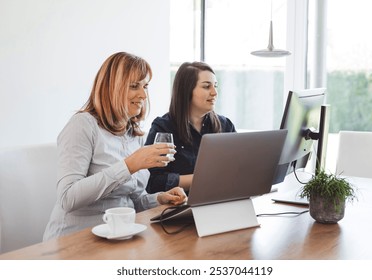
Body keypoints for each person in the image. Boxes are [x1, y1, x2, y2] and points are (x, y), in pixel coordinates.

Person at [43, 52, 187, 240]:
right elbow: (68, 198)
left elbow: (130, 200)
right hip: (74, 241)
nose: (143, 95)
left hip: (119, 236)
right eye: (134, 86)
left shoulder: (133, 135)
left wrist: (159, 199)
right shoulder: (83, 125)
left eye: (145, 86)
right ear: (112, 88)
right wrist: (129, 165)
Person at [145, 61, 236, 194]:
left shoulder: (225, 125)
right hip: (179, 207)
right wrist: (203, 180)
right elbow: (153, 182)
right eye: (206, 87)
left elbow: (237, 169)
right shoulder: (163, 127)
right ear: (187, 91)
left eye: (215, 86)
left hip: (221, 199)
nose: (214, 92)